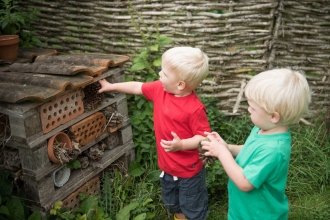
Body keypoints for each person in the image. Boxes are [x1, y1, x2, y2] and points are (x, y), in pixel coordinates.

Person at [98, 47, 211, 220]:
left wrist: (182, 145)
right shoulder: (160, 89)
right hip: (167, 167)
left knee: (192, 207)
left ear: (180, 84)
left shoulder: (194, 109)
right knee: (173, 204)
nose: (159, 74)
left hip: (189, 171)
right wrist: (111, 86)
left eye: (164, 73)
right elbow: (137, 87)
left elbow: (203, 137)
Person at [201, 68, 311, 220]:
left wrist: (222, 153)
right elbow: (249, 151)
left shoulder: (274, 150)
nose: (248, 109)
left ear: (273, 116)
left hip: (259, 214)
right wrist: (228, 148)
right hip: (243, 210)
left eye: (253, 108)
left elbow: (245, 183)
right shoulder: (263, 129)